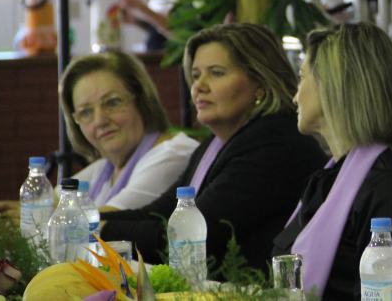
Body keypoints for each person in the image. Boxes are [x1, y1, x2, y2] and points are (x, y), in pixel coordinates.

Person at [100, 23, 327, 271]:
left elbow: (188, 239)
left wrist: (99, 229)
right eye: (196, 75)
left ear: (260, 83)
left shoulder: (276, 145)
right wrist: (87, 220)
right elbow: (160, 214)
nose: (199, 86)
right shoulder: (217, 143)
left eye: (216, 73)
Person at [273, 22, 392, 301]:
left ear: (334, 86)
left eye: (302, 77)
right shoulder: (328, 178)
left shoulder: (387, 189)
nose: (295, 98)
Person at [0, 52, 198, 216]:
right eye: (86, 112)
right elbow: (36, 209)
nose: (99, 121)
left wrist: (24, 220)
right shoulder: (105, 168)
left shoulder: (173, 153)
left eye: (112, 102)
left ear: (142, 100)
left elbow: (103, 223)